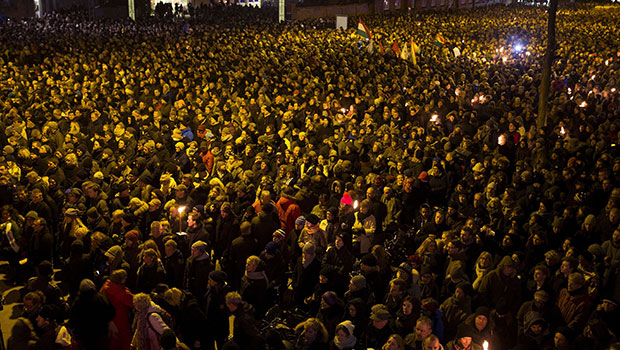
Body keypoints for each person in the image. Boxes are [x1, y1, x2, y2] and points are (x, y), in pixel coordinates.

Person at [100, 269, 134, 350]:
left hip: (109, 319)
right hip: (120, 319)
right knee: (123, 340)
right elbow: (132, 301)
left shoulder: (107, 286)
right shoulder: (120, 292)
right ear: (121, 280)